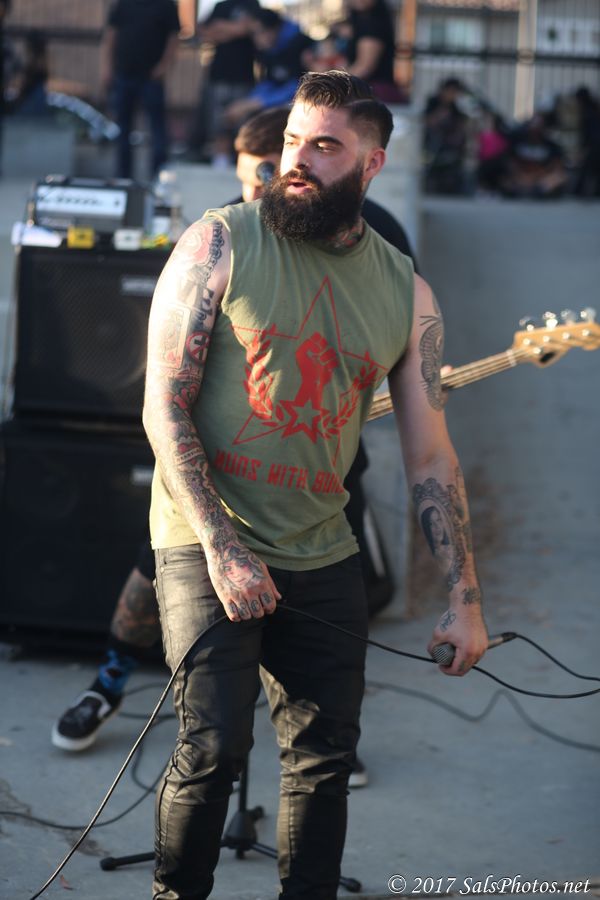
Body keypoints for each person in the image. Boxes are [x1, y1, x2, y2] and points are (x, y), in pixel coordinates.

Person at [143, 70, 488, 899]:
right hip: (207, 535)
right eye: (295, 140)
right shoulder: (219, 243)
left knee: (324, 760)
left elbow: (431, 456)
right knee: (213, 749)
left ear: (371, 164)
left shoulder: (407, 292)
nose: (297, 159)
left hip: (322, 548)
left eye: (325, 145)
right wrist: (223, 549)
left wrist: (464, 597)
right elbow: (163, 406)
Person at [51, 105, 419, 793]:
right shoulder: (225, 235)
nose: (264, 187)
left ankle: (321, 733)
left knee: (333, 609)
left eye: (276, 167)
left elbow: (384, 356)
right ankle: (111, 679)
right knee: (151, 578)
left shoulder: (384, 245)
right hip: (212, 481)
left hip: (322, 482)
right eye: (253, 176)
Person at [100, 0, 180, 179]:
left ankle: (158, 176)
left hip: (151, 77)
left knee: (157, 129)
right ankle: (123, 176)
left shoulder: (166, 5)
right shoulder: (124, 4)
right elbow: (111, 34)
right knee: (123, 129)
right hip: (124, 74)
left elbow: (174, 38)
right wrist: (107, 67)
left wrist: (164, 66)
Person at [189, 0, 261, 167]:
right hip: (219, 74)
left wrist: (222, 28)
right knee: (218, 120)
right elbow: (204, 31)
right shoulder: (221, 6)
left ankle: (240, 159)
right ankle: (220, 158)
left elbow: (246, 28)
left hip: (243, 75)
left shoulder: (252, 4)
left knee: (242, 122)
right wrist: (233, 29)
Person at [223, 9, 314, 132]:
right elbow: (271, 81)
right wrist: (250, 101)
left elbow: (300, 86)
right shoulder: (269, 50)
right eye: (252, 33)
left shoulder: (300, 45)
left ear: (274, 29)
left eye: (259, 32)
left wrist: (255, 103)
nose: (255, 38)